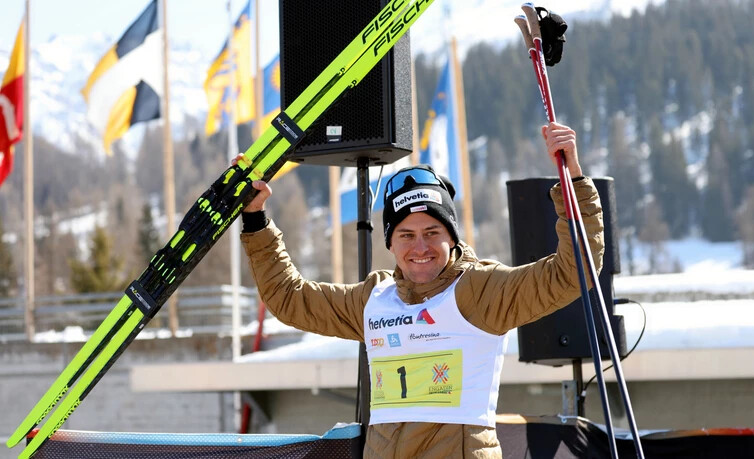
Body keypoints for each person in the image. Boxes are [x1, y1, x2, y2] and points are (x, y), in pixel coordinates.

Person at [237, 121, 604, 458]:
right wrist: (255, 219)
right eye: (406, 235)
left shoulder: (479, 290)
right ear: (391, 244)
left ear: (451, 238)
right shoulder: (374, 299)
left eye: (433, 233)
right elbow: (290, 299)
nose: (420, 248)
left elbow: (573, 273)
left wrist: (572, 180)